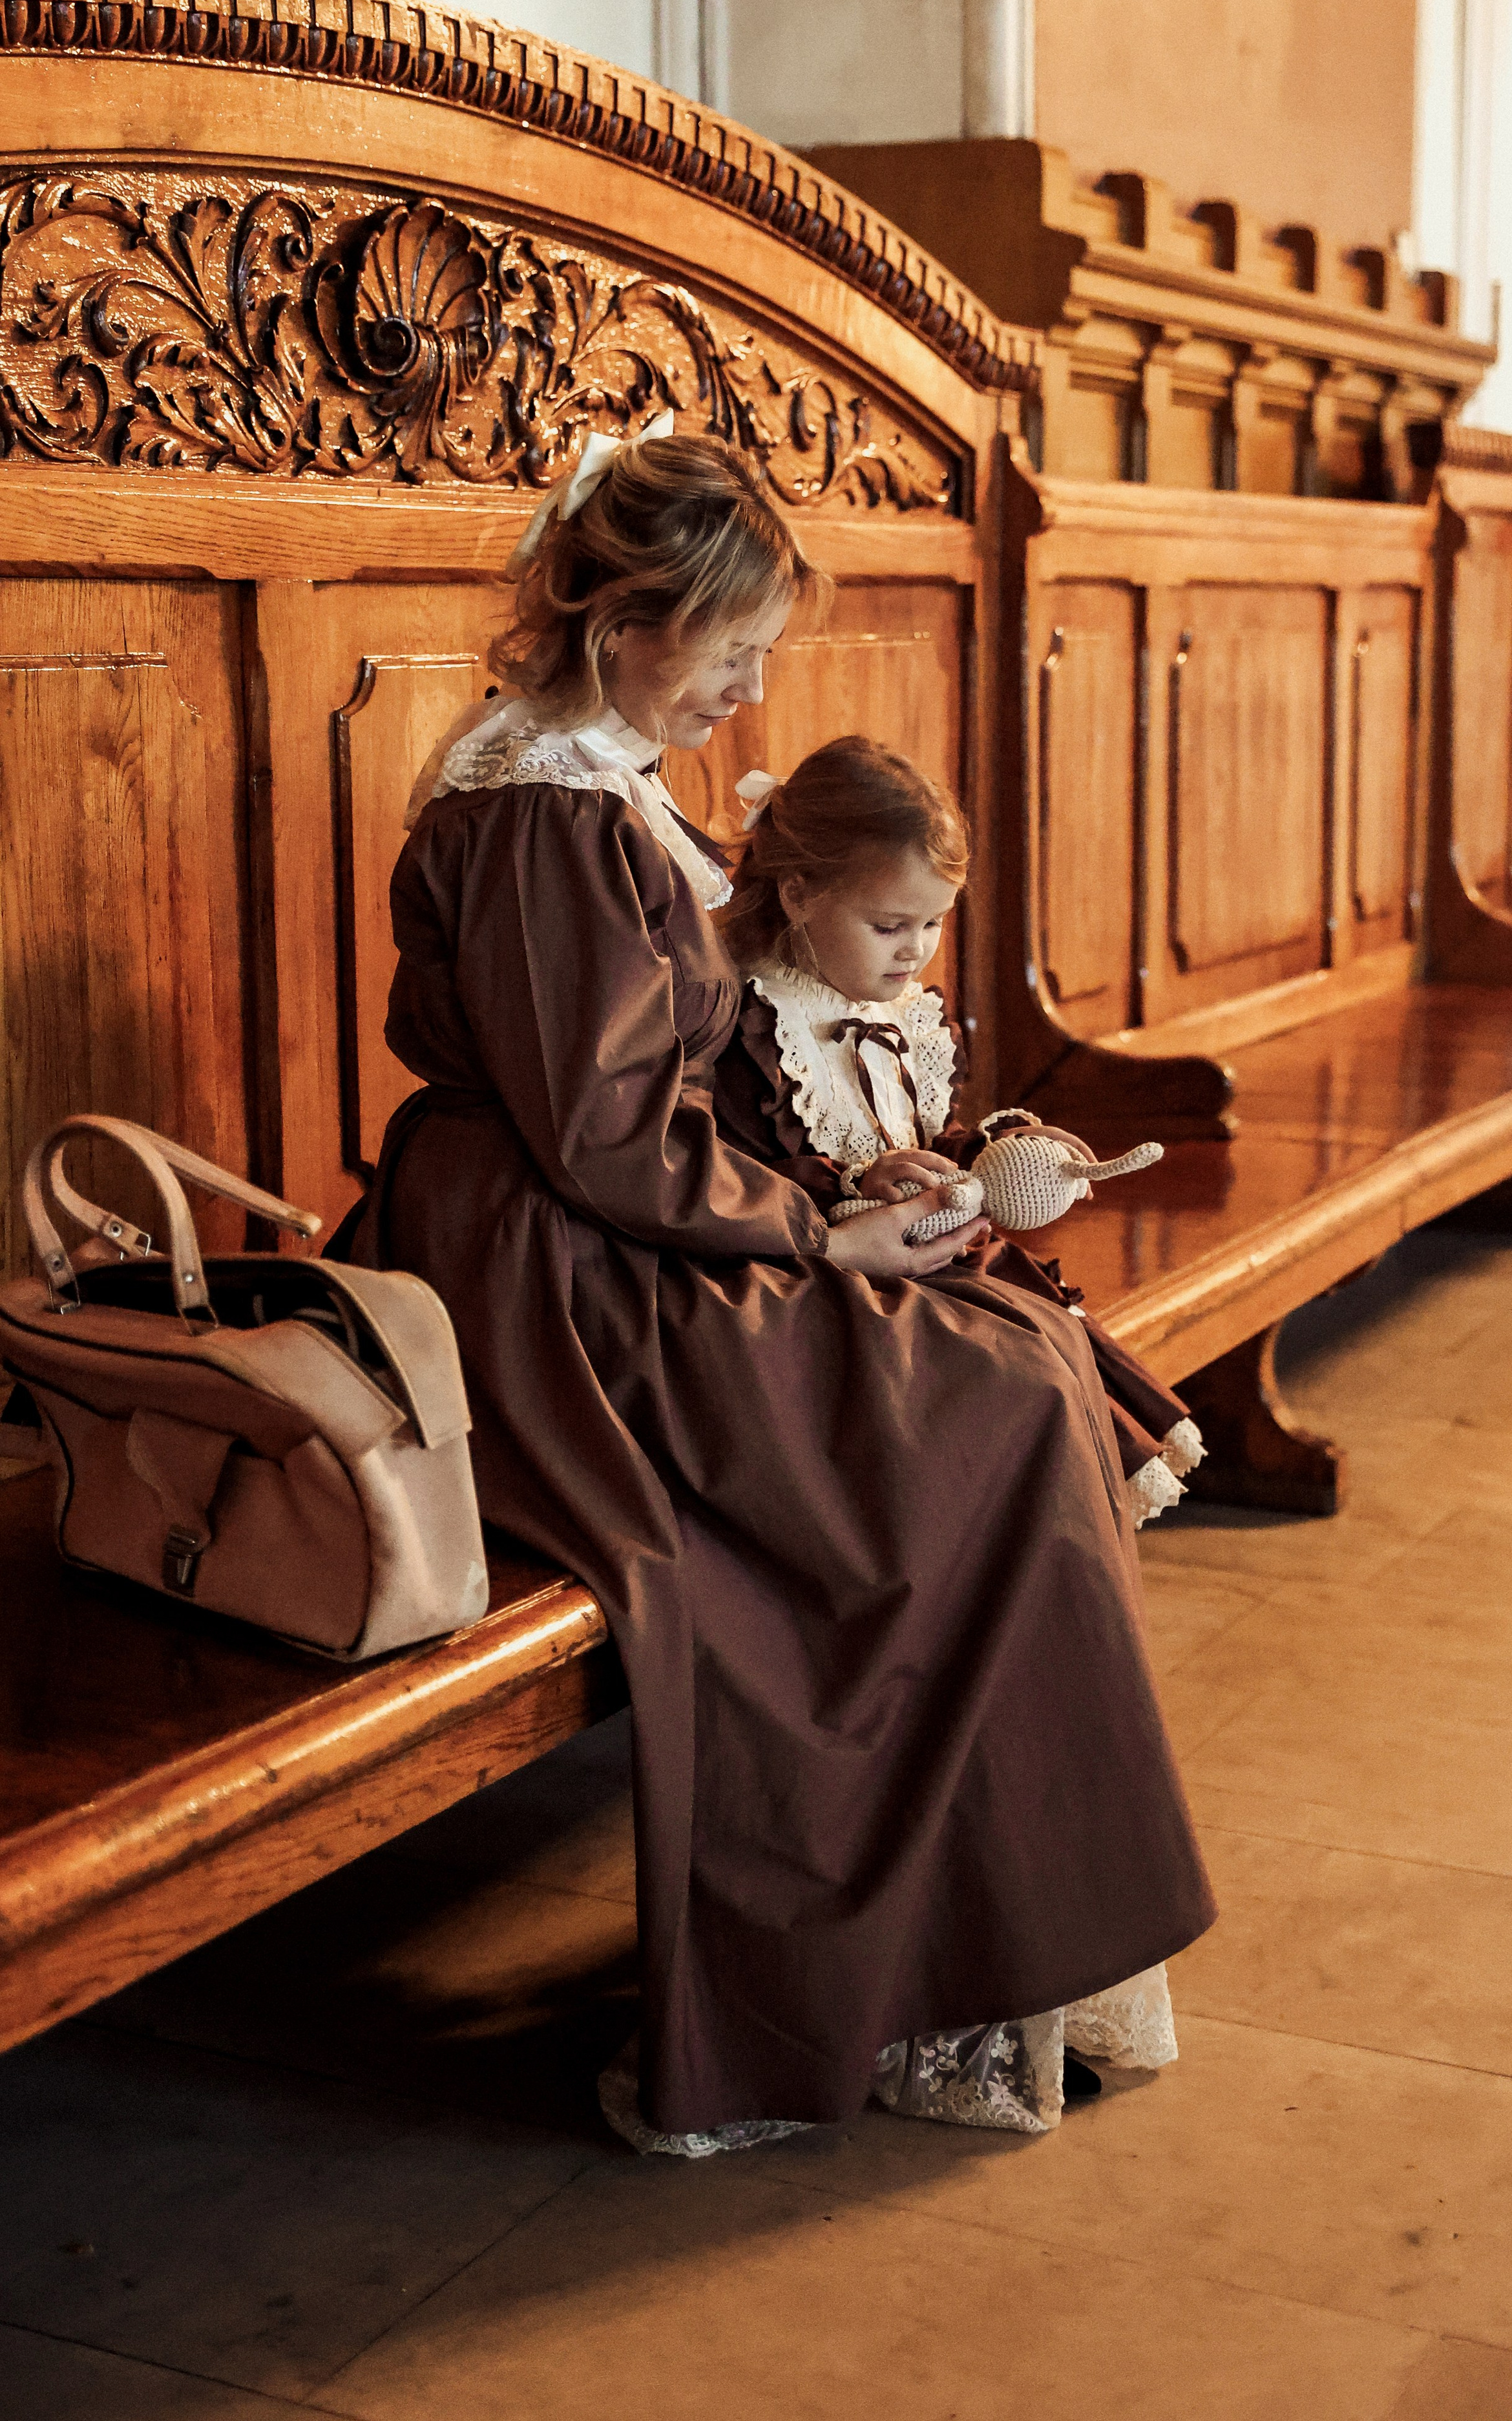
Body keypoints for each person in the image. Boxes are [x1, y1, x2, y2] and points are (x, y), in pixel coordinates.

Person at [345, 413, 1215, 2151]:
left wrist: (853, 1180)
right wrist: (817, 1236)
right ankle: (881, 1982)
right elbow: (601, 1134)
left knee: (1018, 1350)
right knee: (977, 1408)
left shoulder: (603, 776)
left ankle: (971, 1960)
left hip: (630, 1216)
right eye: (730, 652)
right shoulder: (540, 806)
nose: (752, 690)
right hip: (560, 1273)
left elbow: (668, 1081)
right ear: (624, 625)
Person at [711, 734, 1206, 1533]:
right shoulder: (755, 1028)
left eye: (934, 922)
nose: (915, 950)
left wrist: (1001, 1158)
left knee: (1056, 1342)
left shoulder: (906, 1014)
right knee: (1029, 1377)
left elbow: (934, 1138)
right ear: (798, 894)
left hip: (938, 1257)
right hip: (840, 1287)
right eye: (888, 926)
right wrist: (852, 1186)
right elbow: (741, 1181)